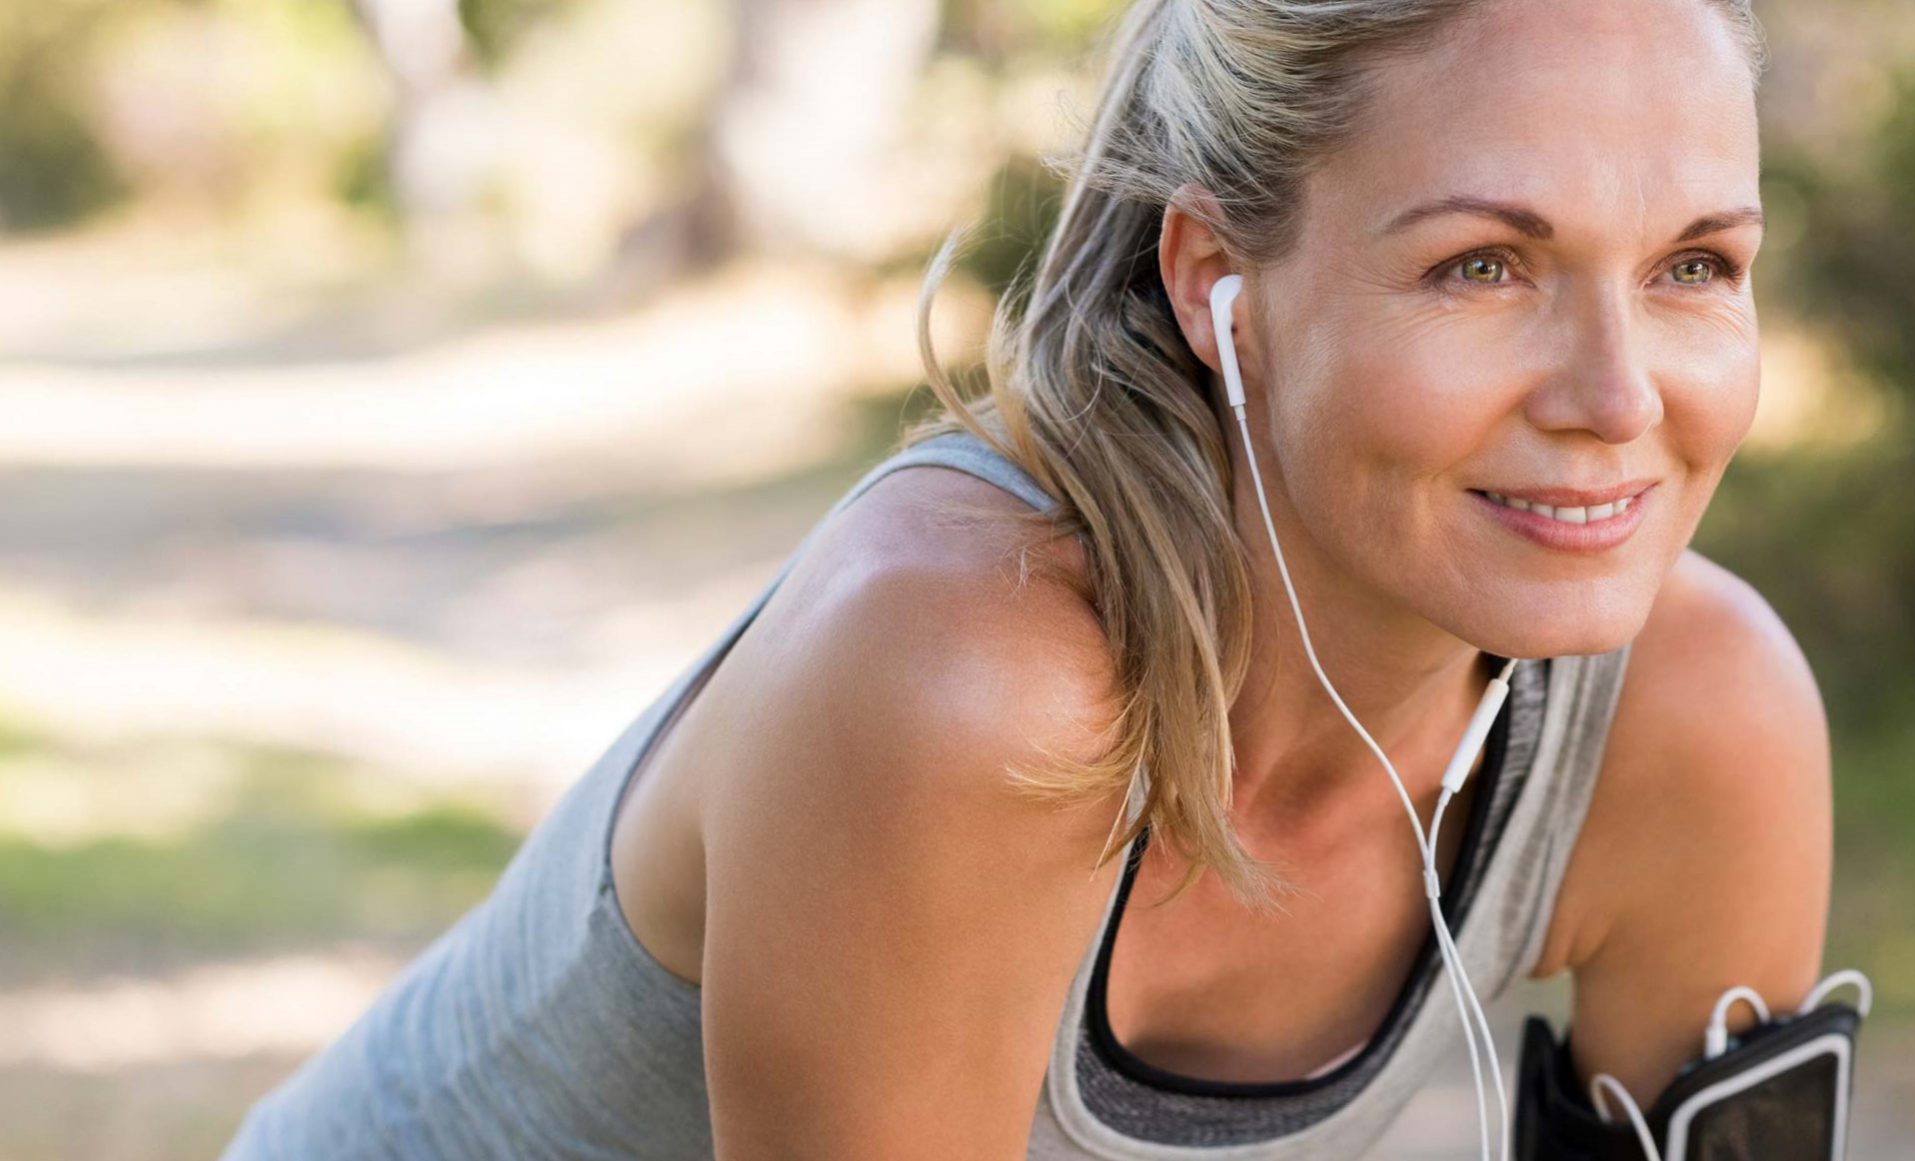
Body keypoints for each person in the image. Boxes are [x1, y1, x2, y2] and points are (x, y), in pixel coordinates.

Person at [222, 0, 1831, 1156]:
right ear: (1216, 283)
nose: (1619, 398)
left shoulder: (1697, 719)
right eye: (1481, 266)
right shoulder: (972, 677)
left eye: (1695, 265)